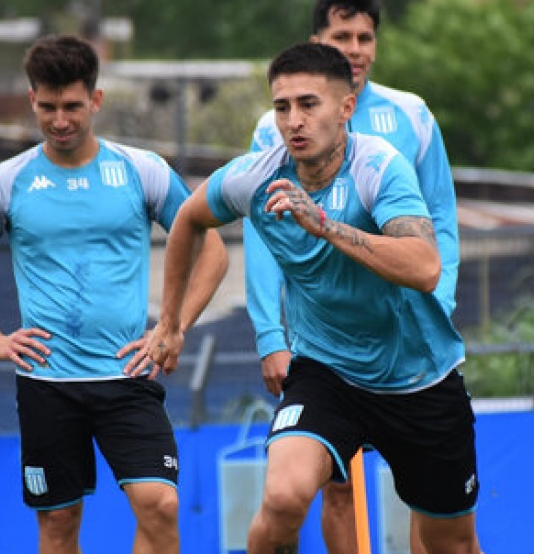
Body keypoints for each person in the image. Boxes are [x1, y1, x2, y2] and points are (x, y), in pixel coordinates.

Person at [143, 42, 481, 553]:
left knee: (448, 544)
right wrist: (169, 323)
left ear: (345, 108)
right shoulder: (257, 177)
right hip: (328, 373)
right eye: (282, 107)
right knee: (282, 497)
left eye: (308, 104)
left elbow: (426, 266)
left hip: (418, 377)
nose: (293, 120)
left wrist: (325, 225)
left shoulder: (379, 168)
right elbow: (189, 218)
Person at [0, 35, 227, 554]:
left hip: (128, 375)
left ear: (95, 100)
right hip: (48, 384)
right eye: (47, 107)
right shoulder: (6, 180)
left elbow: (214, 253)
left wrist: (172, 325)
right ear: (32, 101)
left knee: (160, 506)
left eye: (72, 106)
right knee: (59, 523)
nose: (60, 119)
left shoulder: (142, 170)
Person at [246, 0, 458, 552]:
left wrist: (444, 301)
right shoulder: (275, 131)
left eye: (366, 37)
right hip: (326, 350)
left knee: (439, 519)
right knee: (329, 485)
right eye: (343, 37)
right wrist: (271, 335)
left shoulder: (410, 117)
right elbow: (260, 234)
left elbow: (440, 218)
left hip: (411, 346)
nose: (357, 48)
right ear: (319, 43)